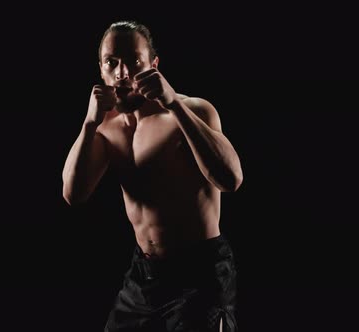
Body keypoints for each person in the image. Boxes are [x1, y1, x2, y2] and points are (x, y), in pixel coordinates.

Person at [62, 20, 243, 332]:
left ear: (153, 65)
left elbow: (231, 179)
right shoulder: (105, 128)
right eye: (111, 63)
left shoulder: (193, 111)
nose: (122, 74)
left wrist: (172, 103)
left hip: (199, 272)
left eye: (133, 62)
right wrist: (88, 125)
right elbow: (73, 194)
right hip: (144, 274)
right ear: (101, 70)